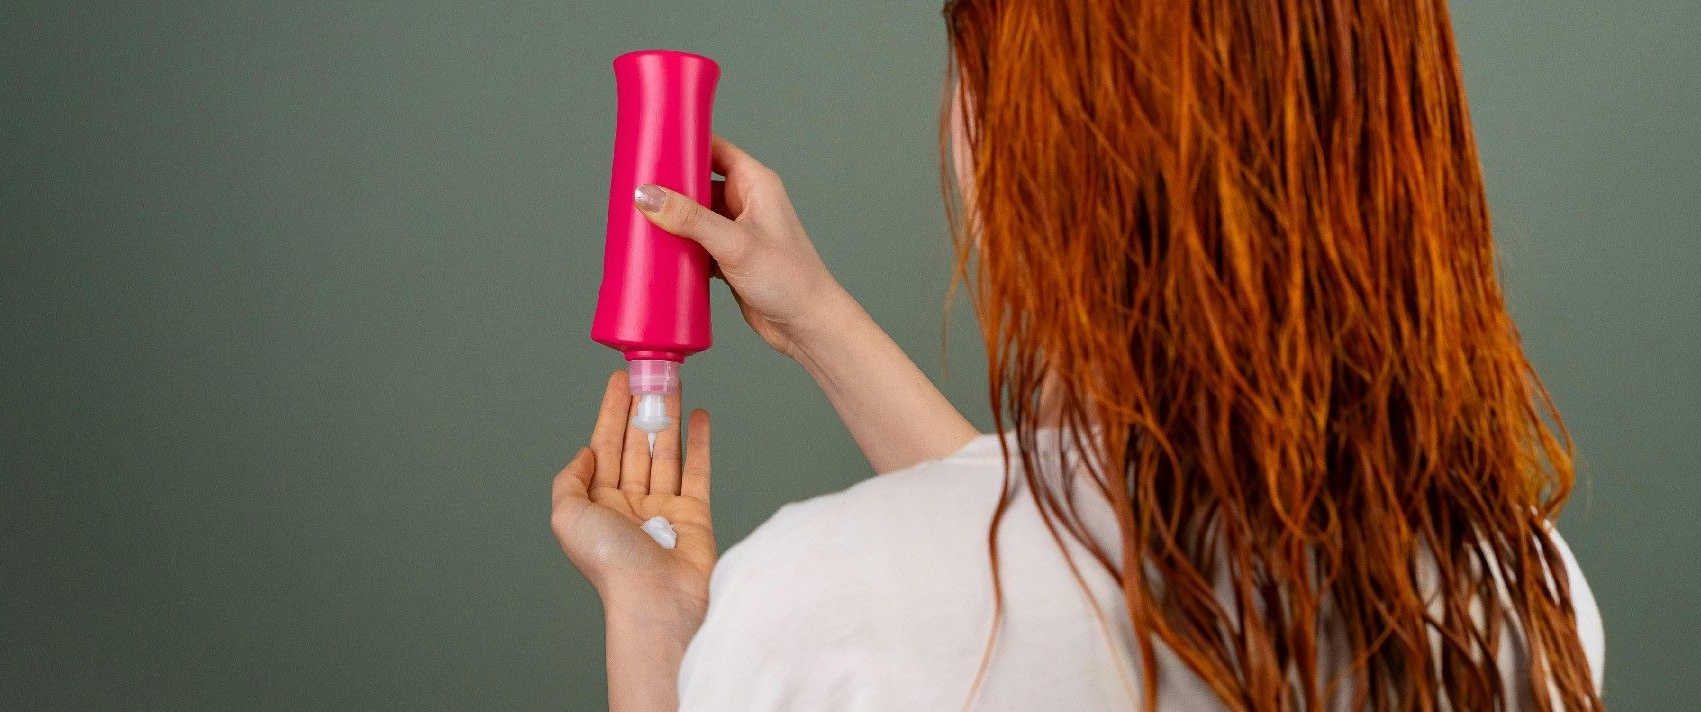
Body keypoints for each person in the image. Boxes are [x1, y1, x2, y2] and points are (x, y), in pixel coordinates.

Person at [549, 1, 1607, 709]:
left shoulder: (809, 600)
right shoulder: (1514, 595)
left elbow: (1007, 574)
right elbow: (1093, 547)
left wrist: (662, 641)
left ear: (1036, 144)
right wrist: (816, 316)